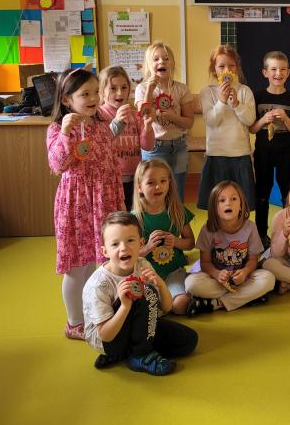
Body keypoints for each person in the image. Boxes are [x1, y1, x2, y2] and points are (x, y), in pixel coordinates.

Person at [47, 67, 124, 340]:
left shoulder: (101, 124)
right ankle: (74, 323)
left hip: (104, 199)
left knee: (97, 263)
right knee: (77, 266)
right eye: (84, 94)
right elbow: (57, 164)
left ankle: (93, 315)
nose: (93, 99)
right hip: (77, 203)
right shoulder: (57, 129)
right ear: (66, 100)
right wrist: (66, 133)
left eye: (95, 92)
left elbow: (109, 160)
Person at [82, 212, 198, 375]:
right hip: (108, 340)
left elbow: (167, 307)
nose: (124, 248)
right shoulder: (99, 284)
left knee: (188, 340)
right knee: (144, 292)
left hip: (138, 326)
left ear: (141, 244)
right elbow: (105, 335)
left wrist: (160, 283)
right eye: (115, 244)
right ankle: (140, 355)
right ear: (105, 251)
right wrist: (125, 306)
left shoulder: (142, 264)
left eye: (130, 240)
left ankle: (127, 351)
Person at [186, 181, 275, 312]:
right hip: (216, 280)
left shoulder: (250, 227)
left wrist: (245, 272)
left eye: (233, 199)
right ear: (214, 208)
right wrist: (217, 274)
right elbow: (205, 263)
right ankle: (248, 297)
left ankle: (217, 303)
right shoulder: (208, 229)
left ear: (241, 205)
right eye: (222, 200)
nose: (228, 203)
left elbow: (253, 260)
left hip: (243, 278)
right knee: (191, 284)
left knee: (269, 279)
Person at [196, 45, 257, 212]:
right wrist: (222, 101)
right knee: (217, 203)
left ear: (237, 68)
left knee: (241, 204)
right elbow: (211, 121)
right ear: (214, 69)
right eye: (221, 66)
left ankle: (241, 228)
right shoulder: (207, 92)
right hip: (216, 155)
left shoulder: (244, 91)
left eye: (231, 65)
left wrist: (236, 104)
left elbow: (250, 120)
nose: (226, 70)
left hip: (240, 155)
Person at [131, 159, 195, 315]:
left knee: (180, 305)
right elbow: (130, 255)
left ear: (169, 183)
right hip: (147, 275)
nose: (158, 186)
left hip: (173, 272)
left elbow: (190, 243)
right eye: (151, 183)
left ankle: (169, 303)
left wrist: (176, 241)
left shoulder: (177, 211)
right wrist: (148, 247)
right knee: (142, 308)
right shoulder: (135, 218)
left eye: (163, 181)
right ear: (140, 187)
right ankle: (163, 306)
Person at [249, 51, 290, 246]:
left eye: (282, 69)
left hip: (286, 152)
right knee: (262, 193)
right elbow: (252, 128)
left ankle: (288, 233)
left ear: (288, 72)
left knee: (288, 193)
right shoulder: (257, 97)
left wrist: (285, 117)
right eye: (273, 69)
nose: (278, 73)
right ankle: (261, 234)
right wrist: (264, 119)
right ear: (265, 72)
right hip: (263, 152)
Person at [134, 41, 195, 202]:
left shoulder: (181, 89)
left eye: (166, 58)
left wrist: (173, 117)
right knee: (153, 194)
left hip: (179, 146)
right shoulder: (142, 88)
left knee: (177, 193)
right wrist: (149, 89)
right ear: (149, 65)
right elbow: (143, 116)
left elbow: (189, 123)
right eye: (156, 59)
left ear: (172, 63)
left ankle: (176, 218)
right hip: (155, 147)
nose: (161, 62)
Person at [98, 65, 154, 210]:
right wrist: (116, 121)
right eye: (113, 88)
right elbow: (101, 144)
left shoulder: (134, 115)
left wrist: (148, 127)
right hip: (111, 179)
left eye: (124, 87)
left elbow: (147, 146)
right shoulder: (99, 115)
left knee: (134, 215)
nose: (120, 93)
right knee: (116, 217)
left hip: (135, 177)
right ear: (101, 91)